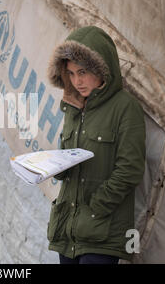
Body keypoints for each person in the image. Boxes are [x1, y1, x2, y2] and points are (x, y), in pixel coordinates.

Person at [46, 26, 146, 264]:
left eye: (82, 72)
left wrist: (97, 206)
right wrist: (51, 167)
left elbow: (130, 169)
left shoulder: (125, 107)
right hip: (67, 229)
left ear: (102, 69)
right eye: (70, 73)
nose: (77, 81)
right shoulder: (73, 107)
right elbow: (68, 159)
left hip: (102, 230)